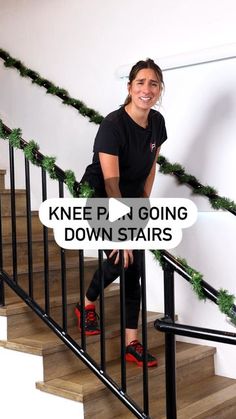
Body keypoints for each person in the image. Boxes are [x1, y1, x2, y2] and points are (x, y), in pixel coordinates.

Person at [75, 58, 167, 367]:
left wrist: (143, 204)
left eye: (153, 83)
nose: (147, 89)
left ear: (159, 90)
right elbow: (111, 183)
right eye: (140, 82)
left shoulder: (157, 123)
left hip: (130, 198)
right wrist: (124, 233)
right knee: (119, 257)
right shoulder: (113, 125)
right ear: (129, 88)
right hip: (102, 197)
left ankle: (131, 342)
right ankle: (86, 304)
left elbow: (150, 167)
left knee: (134, 267)